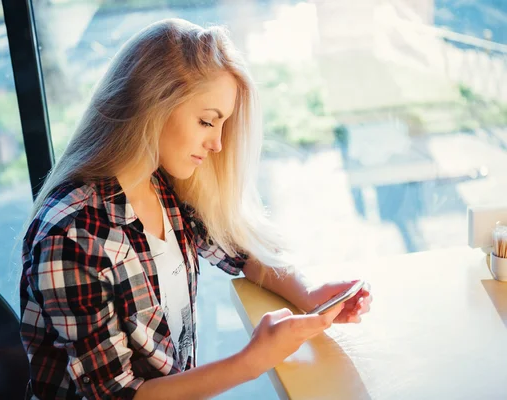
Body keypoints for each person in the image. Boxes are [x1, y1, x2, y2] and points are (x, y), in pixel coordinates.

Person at [19, 18, 372, 400]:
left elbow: (242, 254)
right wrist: (252, 361)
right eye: (207, 121)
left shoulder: (163, 187)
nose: (218, 144)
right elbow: (118, 397)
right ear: (153, 103)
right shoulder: (71, 237)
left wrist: (310, 293)